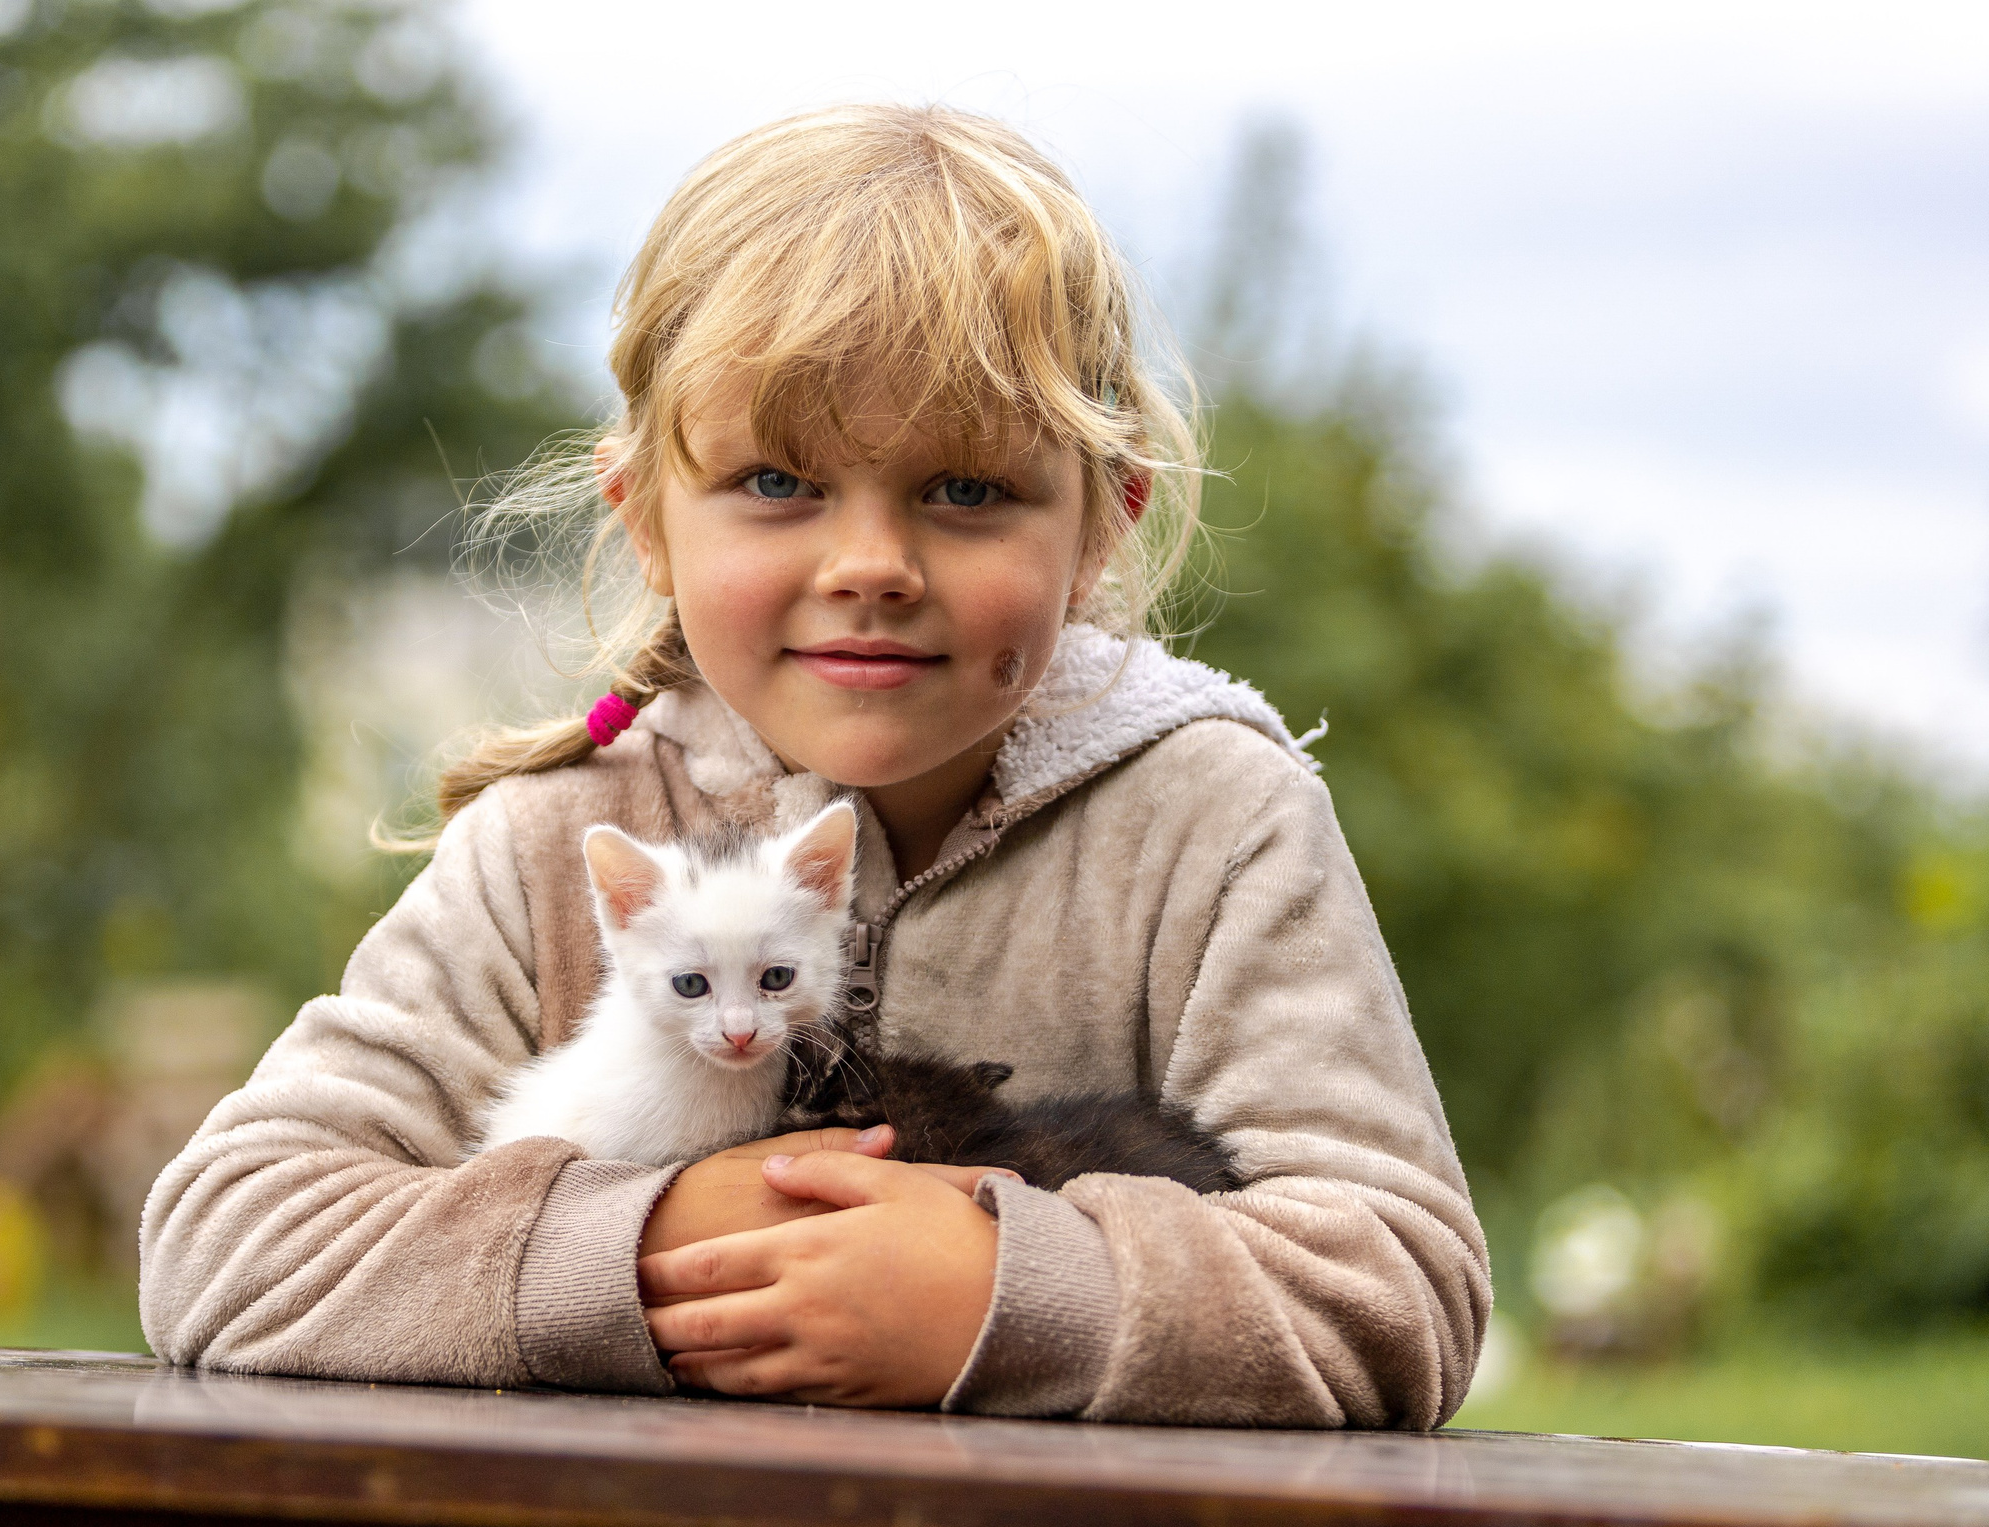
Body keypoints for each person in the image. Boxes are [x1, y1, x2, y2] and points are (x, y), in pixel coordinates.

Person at [138, 104, 1489, 1426]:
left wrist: (1002, 1289)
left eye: (966, 491)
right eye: (780, 483)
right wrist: (653, 1244)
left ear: (1099, 526)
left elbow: (1397, 1287)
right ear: (648, 522)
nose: (871, 569)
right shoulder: (562, 847)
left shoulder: (1211, 821)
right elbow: (228, 1240)